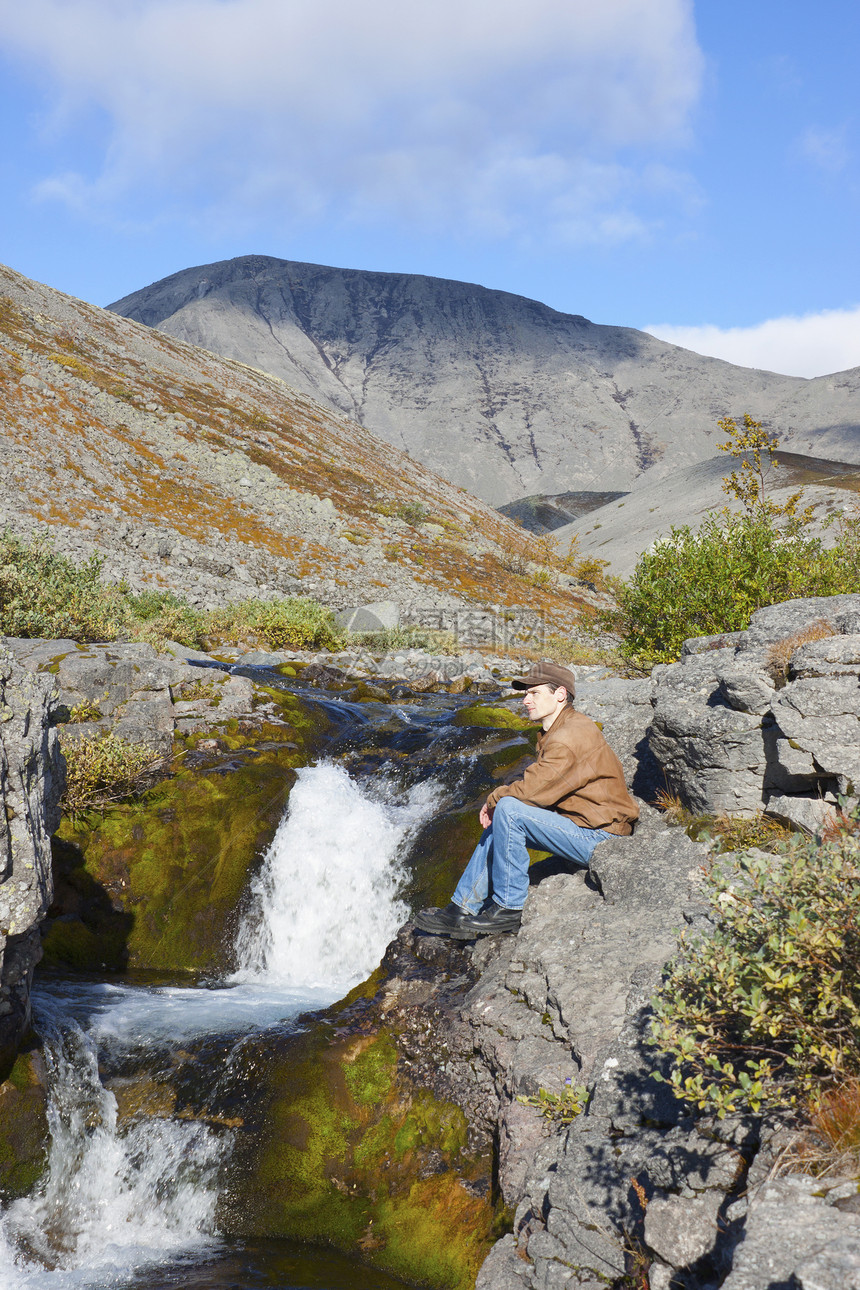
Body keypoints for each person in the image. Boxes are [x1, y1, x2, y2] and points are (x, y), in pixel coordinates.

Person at [414, 661, 639, 939]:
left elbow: (533, 791)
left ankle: (509, 907)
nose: (525, 700)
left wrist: (493, 799)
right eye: (526, 693)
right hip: (582, 828)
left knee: (508, 808)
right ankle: (461, 909)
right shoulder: (559, 728)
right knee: (505, 816)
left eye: (534, 693)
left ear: (560, 695)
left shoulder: (569, 736)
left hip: (602, 840)